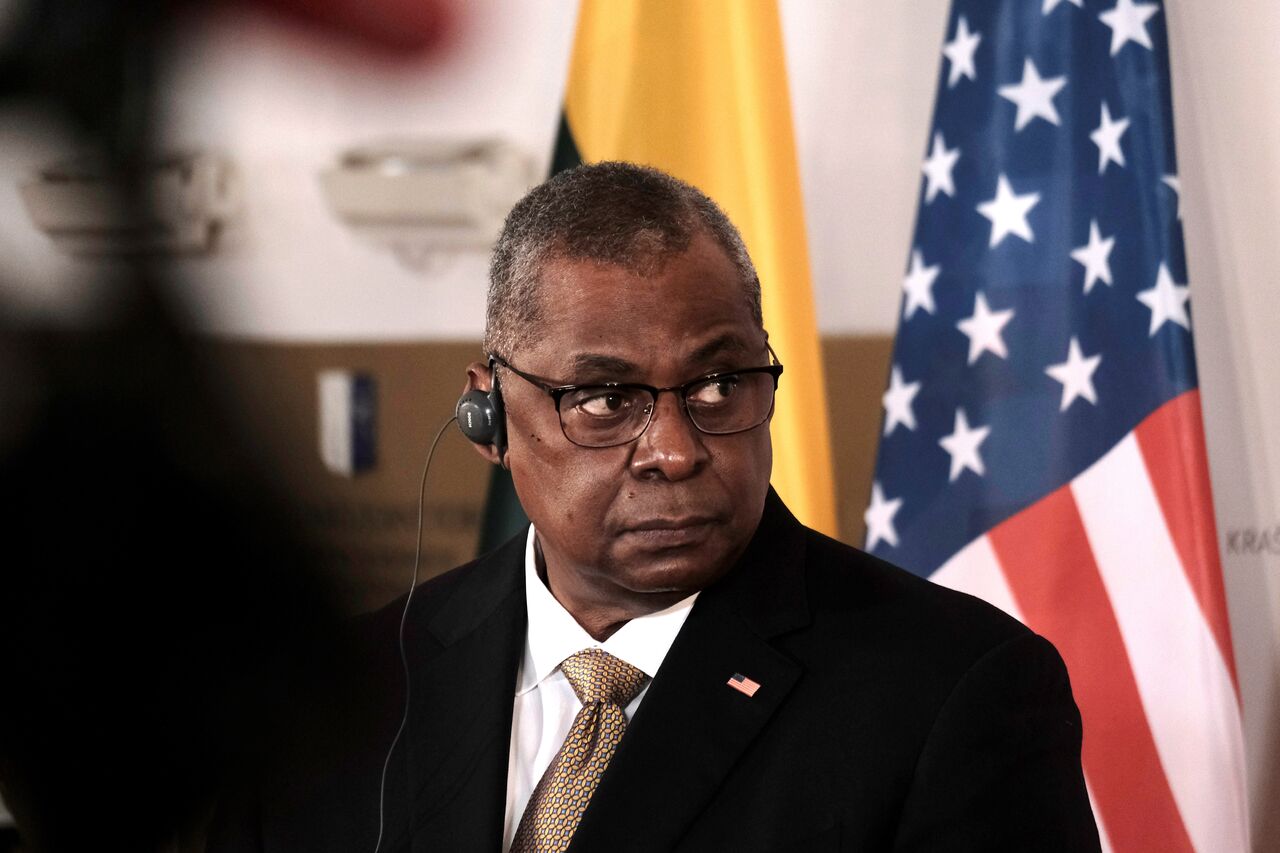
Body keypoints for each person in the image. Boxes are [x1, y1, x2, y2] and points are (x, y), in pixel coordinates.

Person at [207, 162, 1100, 852]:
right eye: (605, 398)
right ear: (489, 417)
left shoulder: (954, 694)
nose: (675, 450)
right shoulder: (332, 702)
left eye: (719, 383)